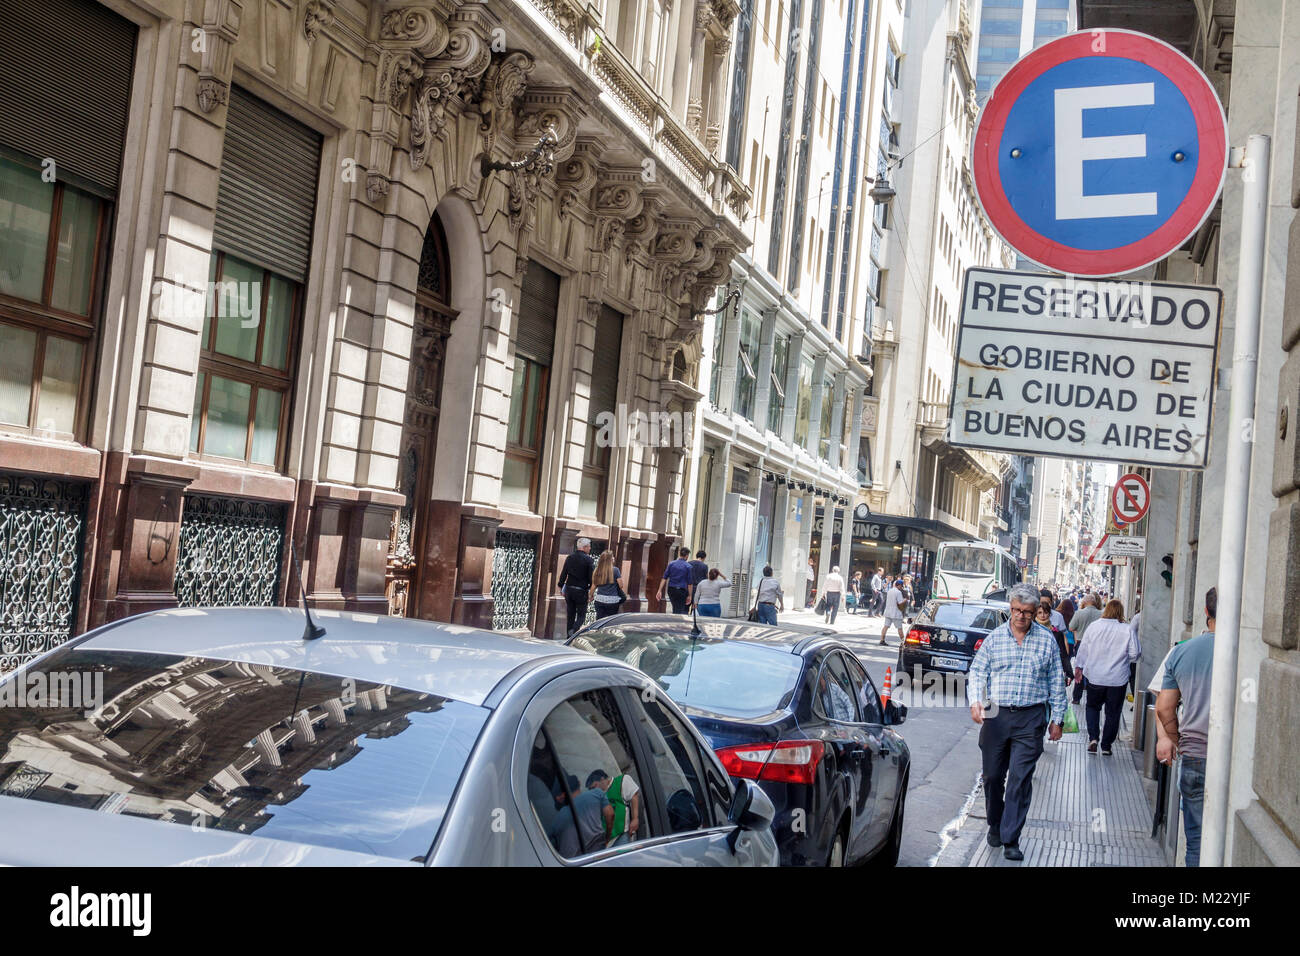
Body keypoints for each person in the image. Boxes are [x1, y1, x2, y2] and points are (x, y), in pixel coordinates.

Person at [967, 583, 1067, 861]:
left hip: (1030, 717)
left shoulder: (1047, 640)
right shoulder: (995, 638)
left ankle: (1011, 837)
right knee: (992, 777)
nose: (1020, 616)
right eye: (1015, 611)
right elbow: (977, 672)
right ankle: (995, 824)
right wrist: (976, 700)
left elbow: (1056, 682)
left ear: (1036, 612)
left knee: (1019, 780)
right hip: (996, 715)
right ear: (1010, 609)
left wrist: (1057, 719)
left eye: (1026, 612)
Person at [1156, 587, 1217, 868]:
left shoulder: (1182, 652)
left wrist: (1175, 739)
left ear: (1206, 612)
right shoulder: (1245, 653)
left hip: (1194, 755)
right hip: (1232, 760)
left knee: (1196, 842)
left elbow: (1164, 708)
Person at [1073, 599, 1140, 756]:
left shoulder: (1094, 627)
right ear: (1120, 613)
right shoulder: (1127, 629)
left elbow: (1083, 650)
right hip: (1118, 678)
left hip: (1095, 676)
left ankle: (1093, 738)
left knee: (1092, 707)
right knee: (1113, 712)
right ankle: (1106, 746)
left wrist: (1079, 667)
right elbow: (1135, 653)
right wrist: (1123, 659)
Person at [547, 772, 613, 857]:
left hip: (574, 861)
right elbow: (610, 814)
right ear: (579, 783)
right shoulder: (597, 793)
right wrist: (607, 837)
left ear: (560, 797)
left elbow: (547, 844)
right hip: (599, 853)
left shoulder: (557, 819)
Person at [587, 769, 641, 847]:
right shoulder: (598, 796)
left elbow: (634, 796)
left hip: (622, 834)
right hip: (606, 839)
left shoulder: (621, 781)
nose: (593, 791)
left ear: (602, 779)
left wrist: (635, 818)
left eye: (594, 787)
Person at [1068, 592, 1103, 705]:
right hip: (1096, 645)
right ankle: (1092, 696)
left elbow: (1071, 627)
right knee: (1093, 669)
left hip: (1081, 643)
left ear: (1084, 602)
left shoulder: (1079, 613)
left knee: (1079, 669)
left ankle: (1077, 697)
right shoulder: (1101, 614)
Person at [557, 537, 595, 637]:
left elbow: (564, 573)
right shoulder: (589, 560)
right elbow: (592, 578)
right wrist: (591, 592)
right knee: (581, 615)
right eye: (589, 546)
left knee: (570, 614)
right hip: (581, 591)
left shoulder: (570, 557)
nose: (590, 548)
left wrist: (561, 586)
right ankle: (574, 631)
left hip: (569, 590)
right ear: (585, 547)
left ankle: (568, 636)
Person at [1034, 601, 1074, 687]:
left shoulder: (1057, 633)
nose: (1043, 615)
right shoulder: (1030, 631)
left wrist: (1068, 672)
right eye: (1040, 613)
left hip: (1052, 672)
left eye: (1045, 612)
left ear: (1049, 614)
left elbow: (1063, 654)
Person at [589, 550, 626, 619]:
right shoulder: (615, 570)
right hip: (612, 601)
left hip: (599, 599)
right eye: (612, 557)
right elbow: (621, 585)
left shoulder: (597, 570)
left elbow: (593, 586)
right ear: (610, 560)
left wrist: (590, 596)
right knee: (610, 621)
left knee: (599, 621)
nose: (614, 558)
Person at [657, 546, 694, 614]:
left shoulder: (671, 564)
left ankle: (675, 618)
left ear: (680, 554)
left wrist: (659, 590)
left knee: (675, 607)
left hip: (671, 590)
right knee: (679, 609)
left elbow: (664, 578)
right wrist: (690, 595)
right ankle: (677, 621)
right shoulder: (688, 566)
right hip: (682, 591)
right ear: (687, 555)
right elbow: (690, 583)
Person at [880, 575, 908, 646]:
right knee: (899, 628)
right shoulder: (898, 592)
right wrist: (905, 599)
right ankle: (904, 642)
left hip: (888, 612)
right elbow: (900, 602)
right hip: (896, 613)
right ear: (899, 585)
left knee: (885, 626)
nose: (902, 587)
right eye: (902, 586)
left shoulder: (890, 591)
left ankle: (882, 640)